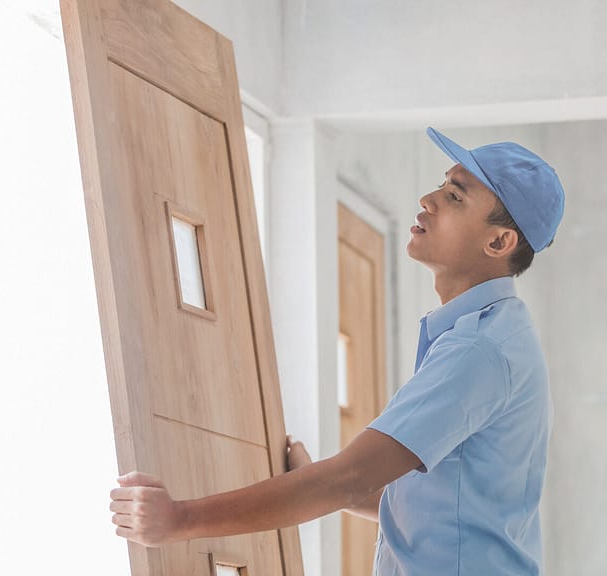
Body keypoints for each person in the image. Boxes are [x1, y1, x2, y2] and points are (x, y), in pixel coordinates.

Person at [110, 127, 565, 575]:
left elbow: (350, 479)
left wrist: (179, 520)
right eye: (443, 184)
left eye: (456, 197)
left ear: (499, 242)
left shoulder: (478, 350)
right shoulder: (493, 335)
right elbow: (430, 506)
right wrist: (315, 478)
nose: (429, 199)